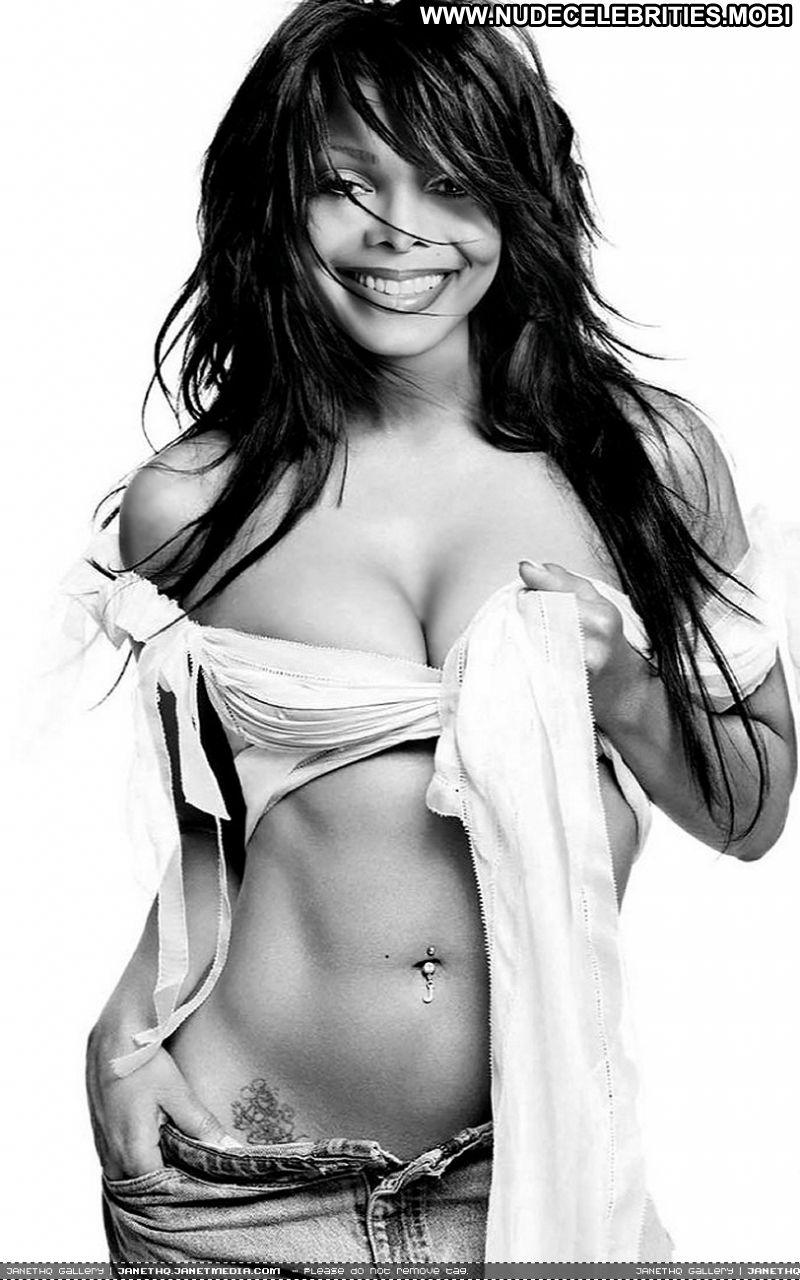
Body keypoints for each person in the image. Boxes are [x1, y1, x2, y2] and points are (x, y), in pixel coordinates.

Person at [67, 0, 796, 1264]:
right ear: (272, 204)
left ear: (518, 201)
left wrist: (621, 684)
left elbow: (752, 811)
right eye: (345, 184)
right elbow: (218, 823)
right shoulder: (190, 502)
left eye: (450, 182)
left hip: (531, 1172)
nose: (398, 229)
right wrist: (124, 1036)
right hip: (234, 1183)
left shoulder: (645, 463)